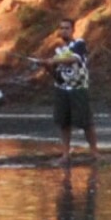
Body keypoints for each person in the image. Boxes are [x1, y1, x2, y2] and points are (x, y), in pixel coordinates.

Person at [42, 17, 98, 163]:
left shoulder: (79, 44)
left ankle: (94, 152)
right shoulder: (58, 51)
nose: (64, 31)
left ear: (73, 30)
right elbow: (56, 75)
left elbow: (73, 59)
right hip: (62, 88)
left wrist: (53, 61)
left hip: (78, 87)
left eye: (67, 28)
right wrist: (46, 66)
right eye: (61, 28)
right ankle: (66, 154)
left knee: (86, 122)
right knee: (64, 122)